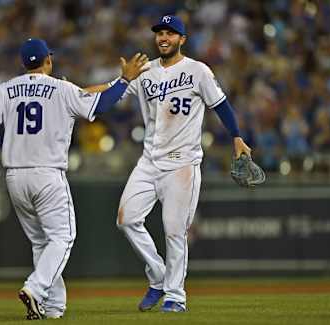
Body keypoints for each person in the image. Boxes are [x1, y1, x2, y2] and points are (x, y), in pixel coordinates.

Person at [0, 38, 149, 319]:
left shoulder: (7, 89)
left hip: (15, 178)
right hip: (47, 175)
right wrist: (124, 81)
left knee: (42, 243)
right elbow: (96, 105)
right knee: (63, 237)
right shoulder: (61, 89)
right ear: (48, 61)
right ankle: (35, 289)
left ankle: (51, 307)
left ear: (25, 64)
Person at [94, 15, 252, 312]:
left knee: (174, 231)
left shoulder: (198, 70)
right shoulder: (144, 71)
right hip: (149, 161)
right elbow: (110, 89)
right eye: (160, 33)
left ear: (182, 39)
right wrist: (73, 93)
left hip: (182, 164)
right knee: (126, 219)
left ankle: (175, 296)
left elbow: (221, 105)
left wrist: (236, 137)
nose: (163, 37)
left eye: (170, 33)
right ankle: (158, 276)